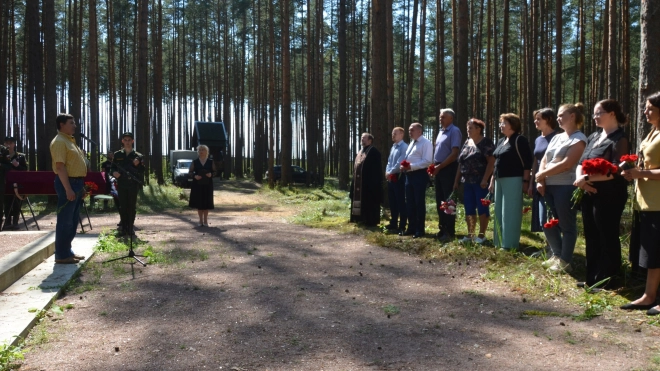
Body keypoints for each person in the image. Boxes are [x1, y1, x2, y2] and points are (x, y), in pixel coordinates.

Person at [573, 99, 629, 290]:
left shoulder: (620, 139)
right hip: (589, 192)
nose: (595, 117)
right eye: (594, 113)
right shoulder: (594, 136)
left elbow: (615, 170)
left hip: (610, 194)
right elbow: (581, 162)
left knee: (607, 235)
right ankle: (592, 277)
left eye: (599, 113)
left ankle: (609, 279)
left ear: (612, 113)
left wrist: (586, 179)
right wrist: (581, 181)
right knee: (591, 234)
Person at [535, 104, 587, 273]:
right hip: (547, 186)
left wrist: (541, 175)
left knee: (566, 225)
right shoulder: (557, 137)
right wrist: (540, 179)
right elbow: (544, 158)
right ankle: (556, 255)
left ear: (572, 116)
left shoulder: (579, 139)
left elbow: (567, 164)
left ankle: (565, 261)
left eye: (561, 115)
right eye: (557, 115)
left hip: (565, 186)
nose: (558, 118)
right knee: (546, 222)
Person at [621, 92, 660, 314]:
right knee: (653, 252)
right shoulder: (653, 132)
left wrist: (640, 172)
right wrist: (633, 172)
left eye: (650, 108)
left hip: (658, 201)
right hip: (647, 202)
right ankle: (649, 295)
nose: (645, 112)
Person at [489, 113, 533, 249]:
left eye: (504, 123)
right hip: (499, 179)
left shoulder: (520, 140)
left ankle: (509, 244)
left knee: (511, 211)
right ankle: (498, 242)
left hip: (514, 179)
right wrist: (492, 180)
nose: (500, 125)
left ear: (512, 125)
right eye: (500, 123)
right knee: (498, 210)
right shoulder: (501, 141)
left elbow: (527, 163)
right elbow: (496, 163)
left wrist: (526, 182)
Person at [49, 113, 87, 264]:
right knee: (65, 220)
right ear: (61, 125)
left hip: (76, 183)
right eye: (71, 123)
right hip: (68, 183)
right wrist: (68, 189)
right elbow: (60, 167)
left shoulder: (69, 141)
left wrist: (80, 187)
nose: (75, 125)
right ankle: (61, 255)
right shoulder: (59, 141)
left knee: (72, 219)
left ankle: (67, 251)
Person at [453, 118, 495, 244]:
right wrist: (456, 181)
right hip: (467, 181)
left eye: (471, 127)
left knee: (482, 208)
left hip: (480, 182)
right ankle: (470, 234)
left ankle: (481, 236)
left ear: (479, 129)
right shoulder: (467, 142)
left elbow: (492, 162)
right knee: (469, 207)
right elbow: (461, 163)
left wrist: (485, 179)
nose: (468, 130)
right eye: (467, 127)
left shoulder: (486, 142)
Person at [431, 109, 462, 241]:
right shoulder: (441, 132)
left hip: (448, 168)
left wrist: (440, 166)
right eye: (440, 117)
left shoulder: (454, 131)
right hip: (439, 169)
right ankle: (442, 228)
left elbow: (454, 154)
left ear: (451, 119)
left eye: (443, 117)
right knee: (440, 199)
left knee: (448, 200)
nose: (440, 119)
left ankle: (450, 231)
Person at [400, 123, 433, 238]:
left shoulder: (426, 143)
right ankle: (411, 227)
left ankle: (420, 229)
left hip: (419, 175)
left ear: (419, 131)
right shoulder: (411, 143)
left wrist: (411, 166)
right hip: (409, 175)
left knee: (418, 202)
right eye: (409, 130)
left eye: (412, 130)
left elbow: (427, 161)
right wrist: (404, 166)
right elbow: (408, 158)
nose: (409, 132)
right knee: (409, 202)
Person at [529, 108, 558, 233]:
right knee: (542, 215)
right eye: (535, 119)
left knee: (551, 213)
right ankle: (549, 246)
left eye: (539, 119)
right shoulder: (538, 139)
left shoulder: (557, 137)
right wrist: (531, 183)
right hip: (538, 180)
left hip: (552, 180)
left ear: (548, 119)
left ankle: (555, 248)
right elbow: (536, 161)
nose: (535, 121)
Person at [111, 132, 145, 236]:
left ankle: (130, 227)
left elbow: (143, 170)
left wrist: (138, 164)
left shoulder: (138, 156)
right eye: (125, 140)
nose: (127, 142)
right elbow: (112, 168)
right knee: (122, 206)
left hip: (133, 184)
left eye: (129, 140)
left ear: (132, 141)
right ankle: (123, 227)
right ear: (122, 141)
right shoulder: (117, 154)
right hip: (121, 183)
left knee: (131, 206)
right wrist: (114, 172)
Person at [349, 133, 383, 226]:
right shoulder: (360, 152)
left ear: (370, 140)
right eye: (361, 138)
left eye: (364, 138)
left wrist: (372, 183)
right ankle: (358, 218)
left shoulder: (374, 152)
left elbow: (376, 171)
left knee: (369, 201)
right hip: (359, 183)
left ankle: (369, 220)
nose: (362, 139)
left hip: (369, 184)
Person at [384, 127, 408, 233]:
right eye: (392, 133)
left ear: (401, 135)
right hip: (391, 177)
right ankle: (393, 222)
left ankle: (402, 225)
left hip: (399, 177)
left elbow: (400, 162)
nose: (393, 135)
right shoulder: (393, 147)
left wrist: (391, 172)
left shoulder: (404, 147)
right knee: (392, 201)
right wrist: (387, 171)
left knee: (400, 201)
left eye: (395, 133)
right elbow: (389, 161)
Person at [3, 136, 27, 230]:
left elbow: (25, 170)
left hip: (18, 184)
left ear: (14, 144)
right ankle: (7, 222)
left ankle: (15, 222)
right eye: (7, 143)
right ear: (4, 144)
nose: (9, 145)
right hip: (5, 183)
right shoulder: (2, 156)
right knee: (7, 203)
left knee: (17, 203)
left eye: (11, 143)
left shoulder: (21, 156)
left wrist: (17, 166)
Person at [189, 145, 217, 227]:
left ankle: (205, 220)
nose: (201, 151)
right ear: (198, 152)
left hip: (208, 184)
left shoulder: (210, 162)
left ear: (206, 152)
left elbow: (215, 172)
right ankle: (200, 220)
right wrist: (195, 176)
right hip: (197, 185)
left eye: (203, 150)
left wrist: (211, 174)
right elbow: (190, 172)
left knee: (206, 202)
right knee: (199, 203)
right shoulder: (195, 162)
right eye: (200, 150)